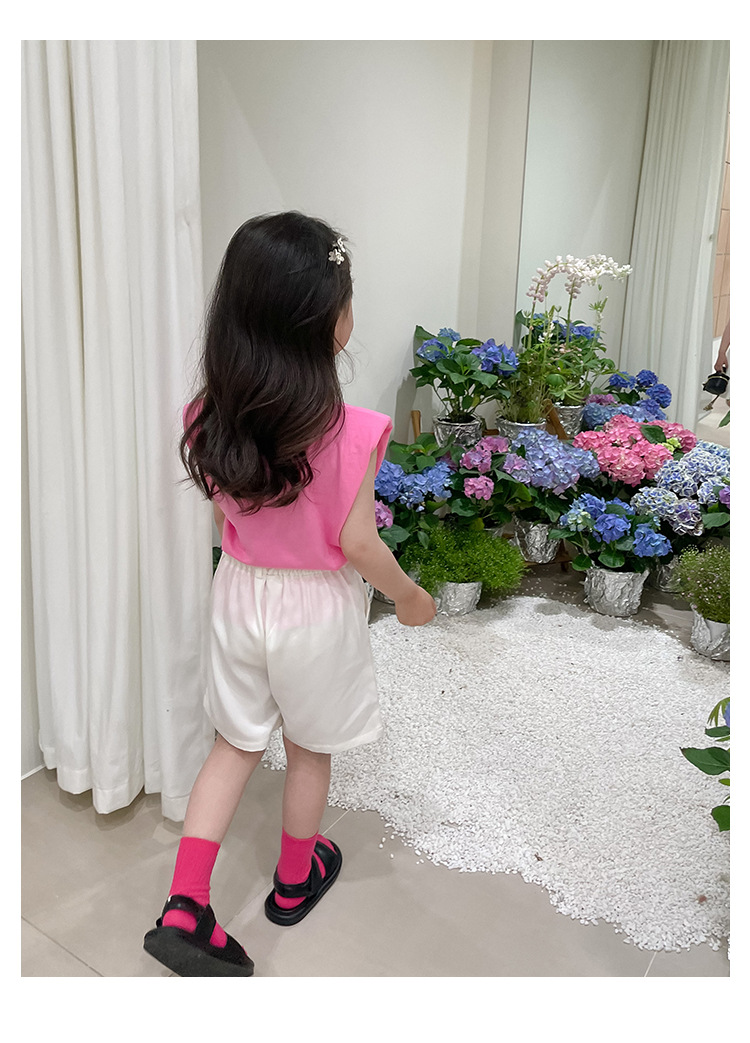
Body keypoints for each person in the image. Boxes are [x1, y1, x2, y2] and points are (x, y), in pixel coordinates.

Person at [143, 212, 437, 977]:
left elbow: (225, 520)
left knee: (234, 744)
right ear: (325, 323)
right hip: (315, 609)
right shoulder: (354, 431)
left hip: (238, 594)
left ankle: (186, 904)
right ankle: (294, 880)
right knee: (308, 747)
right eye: (347, 298)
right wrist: (410, 597)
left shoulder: (206, 419)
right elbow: (358, 543)